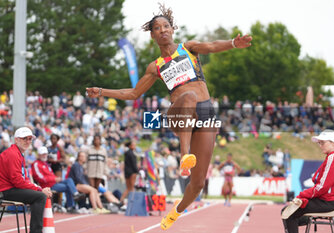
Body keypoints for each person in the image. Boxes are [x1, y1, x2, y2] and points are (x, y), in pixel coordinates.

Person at [86, 4, 252, 230]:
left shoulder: (189, 48)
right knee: (189, 95)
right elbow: (133, 93)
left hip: (205, 114)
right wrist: (102, 91)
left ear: (172, 29)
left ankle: (175, 213)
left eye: (166, 26)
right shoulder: (155, 67)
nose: (162, 30)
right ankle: (185, 156)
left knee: (197, 184)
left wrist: (233, 43)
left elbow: (212, 45)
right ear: (152, 35)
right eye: (157, 28)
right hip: (179, 112)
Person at [281, 129, 334, 233]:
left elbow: (322, 187)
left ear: (333, 143)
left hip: (328, 202)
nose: (320, 145)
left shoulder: (333, 158)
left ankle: (304, 219)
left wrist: (301, 195)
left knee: (289, 213)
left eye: (322, 142)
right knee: (289, 212)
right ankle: (305, 219)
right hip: (328, 200)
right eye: (319, 143)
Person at [0, 127, 52, 233]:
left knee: (40, 194)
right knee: (40, 196)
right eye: (24, 139)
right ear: (17, 139)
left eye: (29, 139)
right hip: (6, 191)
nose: (27, 141)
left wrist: (38, 188)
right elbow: (17, 181)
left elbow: (24, 178)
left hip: (11, 188)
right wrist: (39, 190)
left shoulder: (18, 153)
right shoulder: (13, 154)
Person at [32, 146, 85, 213]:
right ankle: (71, 206)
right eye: (43, 154)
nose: (44, 155)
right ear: (39, 155)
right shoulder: (36, 164)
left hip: (53, 183)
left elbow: (50, 175)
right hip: (48, 185)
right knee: (68, 187)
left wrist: (56, 179)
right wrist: (54, 179)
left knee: (69, 180)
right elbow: (40, 178)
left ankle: (76, 194)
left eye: (45, 154)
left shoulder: (46, 164)